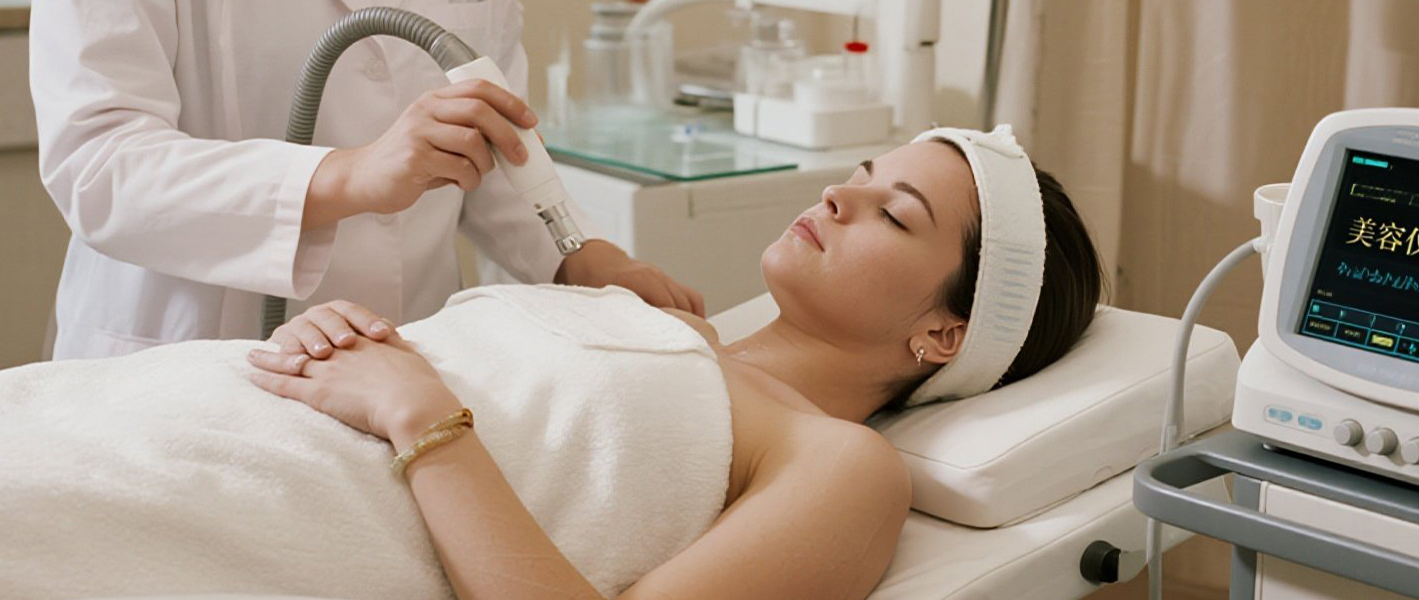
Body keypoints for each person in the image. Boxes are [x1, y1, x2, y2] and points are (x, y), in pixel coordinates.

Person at [244, 126, 1107, 599]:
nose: (838, 194)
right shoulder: (656, 320)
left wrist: (421, 418)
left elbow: (434, 413)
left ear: (947, 334)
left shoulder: (840, 464)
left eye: (895, 213)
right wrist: (339, 339)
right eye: (862, 172)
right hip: (224, 425)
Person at [29, 0, 700, 361]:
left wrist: (580, 257)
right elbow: (99, 165)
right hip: (190, 358)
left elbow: (490, 142)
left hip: (408, 361)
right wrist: (352, 174)